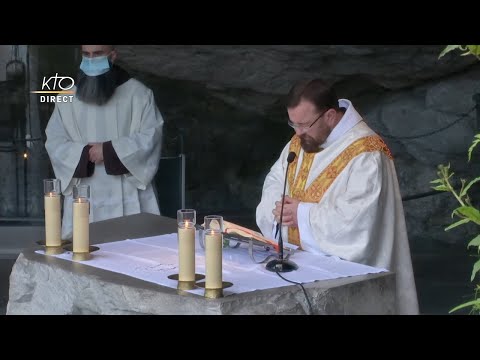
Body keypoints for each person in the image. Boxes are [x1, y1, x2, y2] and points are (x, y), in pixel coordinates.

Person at [256, 79, 419, 315]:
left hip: (355, 288)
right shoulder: (301, 141)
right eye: (293, 124)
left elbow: (360, 225)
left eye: (303, 124)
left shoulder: (367, 154)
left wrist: (301, 214)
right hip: (298, 269)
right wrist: (279, 208)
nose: (297, 133)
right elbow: (275, 180)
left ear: (330, 116)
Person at [45, 45, 164, 240]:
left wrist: (110, 151)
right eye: (86, 54)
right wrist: (84, 153)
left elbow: (151, 137)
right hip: (83, 194)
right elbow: (55, 141)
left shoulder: (139, 94)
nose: (91, 60)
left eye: (98, 54)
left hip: (128, 193)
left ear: (113, 56)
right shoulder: (67, 96)